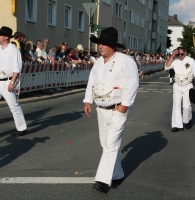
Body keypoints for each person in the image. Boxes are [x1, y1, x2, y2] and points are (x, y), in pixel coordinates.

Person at [83, 27, 139, 193]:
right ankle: (117, 173)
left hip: (117, 108)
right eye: (99, 43)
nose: (100, 46)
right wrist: (88, 100)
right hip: (102, 109)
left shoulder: (125, 60)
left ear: (113, 46)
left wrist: (125, 105)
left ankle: (102, 181)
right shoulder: (99, 62)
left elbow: (132, 83)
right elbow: (91, 82)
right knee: (105, 144)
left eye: (104, 44)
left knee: (111, 144)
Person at [164, 47, 195, 132]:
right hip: (177, 85)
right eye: (178, 54)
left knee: (186, 106)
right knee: (176, 105)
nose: (180, 56)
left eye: (182, 54)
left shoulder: (191, 61)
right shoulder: (175, 61)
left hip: (187, 86)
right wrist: (172, 56)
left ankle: (187, 120)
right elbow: (166, 68)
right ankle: (176, 125)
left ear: (185, 53)